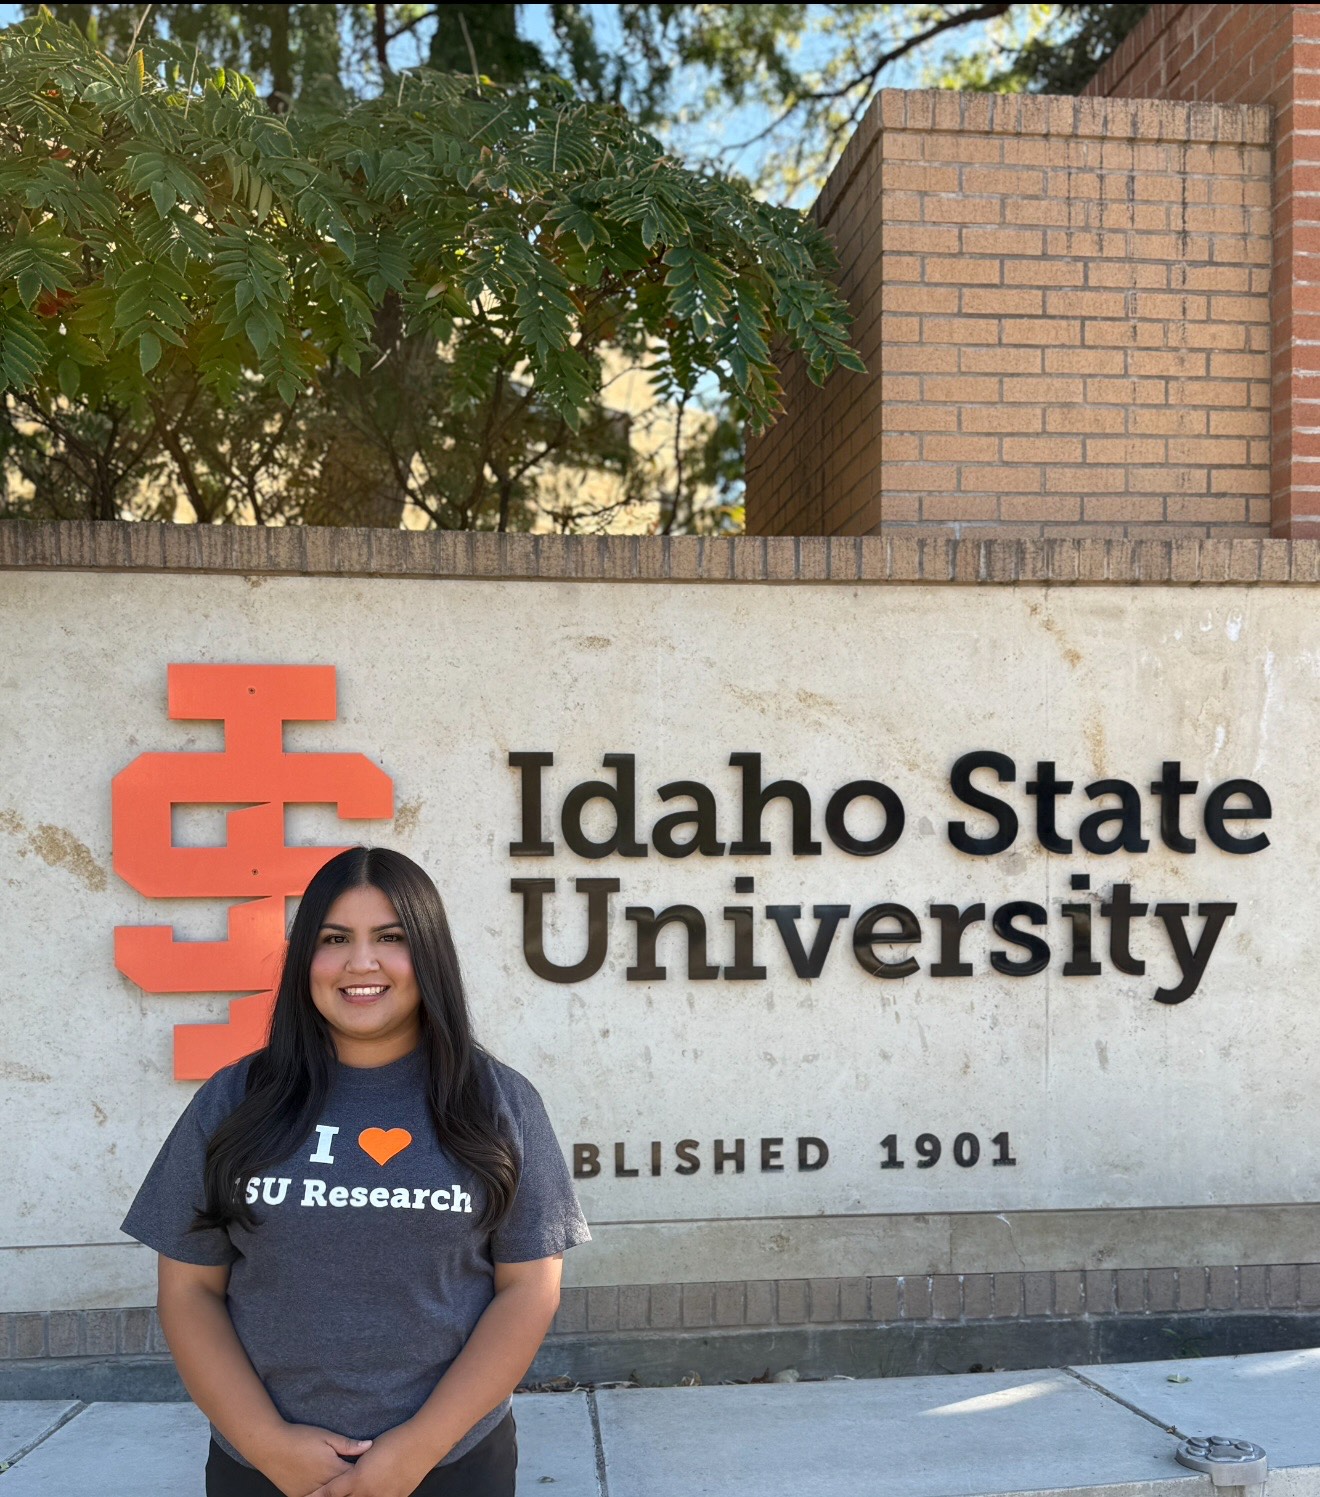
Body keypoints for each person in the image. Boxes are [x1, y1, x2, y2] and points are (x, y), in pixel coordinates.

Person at [122, 846, 590, 1497]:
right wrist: (269, 1445)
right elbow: (189, 1292)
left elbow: (529, 1289)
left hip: (454, 1464)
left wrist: (417, 1449)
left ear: (429, 954)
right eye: (334, 938)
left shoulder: (500, 1104)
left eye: (391, 938)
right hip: (266, 1470)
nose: (360, 961)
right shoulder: (234, 1101)